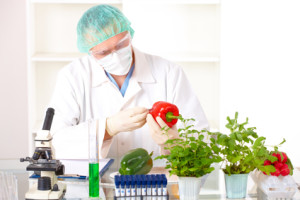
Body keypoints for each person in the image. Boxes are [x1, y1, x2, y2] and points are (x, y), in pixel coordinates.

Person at [49, 5, 209, 167]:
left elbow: (201, 138)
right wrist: (107, 128)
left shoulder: (169, 73)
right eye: (103, 52)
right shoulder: (72, 76)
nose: (115, 56)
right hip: (96, 186)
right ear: (89, 51)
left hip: (156, 182)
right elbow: (57, 142)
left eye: (120, 45)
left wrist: (175, 144)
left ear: (129, 34)